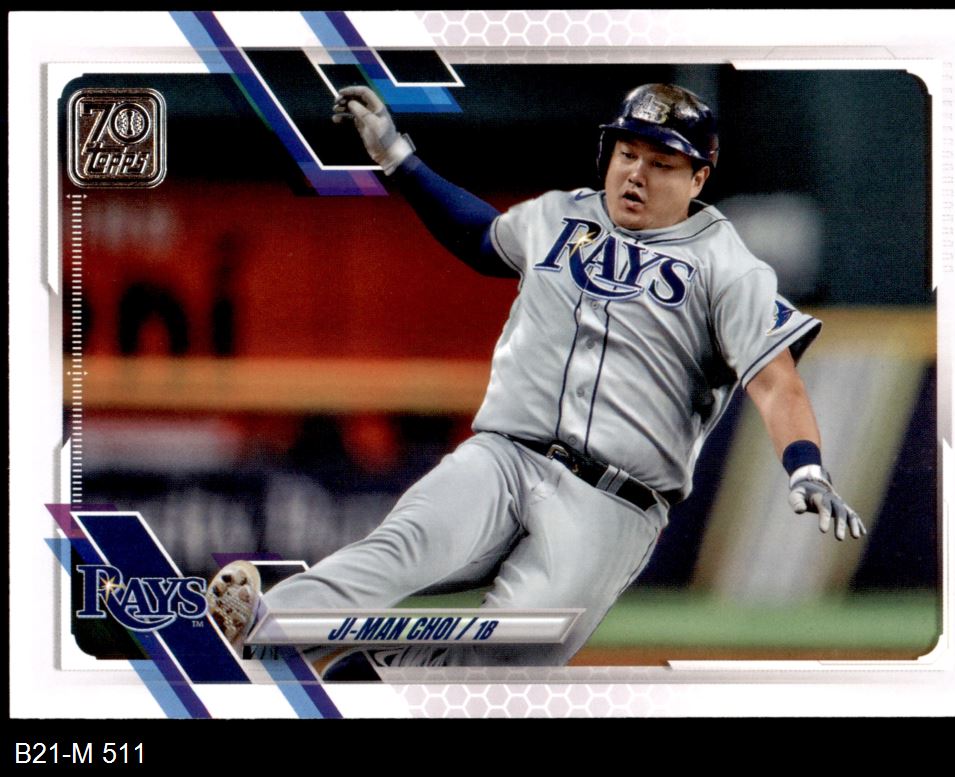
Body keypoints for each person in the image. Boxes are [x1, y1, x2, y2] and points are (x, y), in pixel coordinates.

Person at [208, 83, 865, 675]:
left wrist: (804, 465)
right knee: (404, 545)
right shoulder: (557, 215)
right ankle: (264, 626)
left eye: (661, 163)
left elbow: (774, 380)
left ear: (698, 177)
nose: (635, 174)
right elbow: (479, 236)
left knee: (514, 652)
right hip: (504, 456)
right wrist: (396, 156)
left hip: (611, 503)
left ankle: (376, 677)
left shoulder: (731, 269)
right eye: (626, 153)